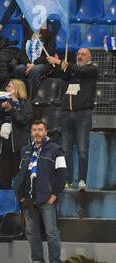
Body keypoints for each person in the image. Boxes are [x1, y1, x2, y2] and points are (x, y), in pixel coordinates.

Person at [13, 120, 67, 263]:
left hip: (47, 198)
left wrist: (55, 194)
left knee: (52, 231)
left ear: (46, 132)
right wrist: (21, 196)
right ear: (31, 132)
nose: (37, 132)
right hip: (29, 199)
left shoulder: (56, 149)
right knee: (31, 232)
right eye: (34, 130)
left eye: (40, 130)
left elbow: (63, 174)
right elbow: (21, 174)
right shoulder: (25, 151)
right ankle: (37, 262)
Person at [47, 48, 98, 191]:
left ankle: (82, 180)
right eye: (78, 54)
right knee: (66, 150)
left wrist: (62, 62)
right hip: (66, 114)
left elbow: (80, 71)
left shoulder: (92, 70)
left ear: (89, 57)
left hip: (83, 114)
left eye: (83, 55)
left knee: (82, 149)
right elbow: (62, 75)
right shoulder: (73, 70)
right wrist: (58, 65)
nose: (80, 56)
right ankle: (68, 180)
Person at [0, 79, 33, 189]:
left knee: (19, 178)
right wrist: (2, 107)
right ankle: (5, 204)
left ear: (17, 89)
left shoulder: (25, 104)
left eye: (9, 86)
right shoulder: (3, 101)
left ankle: (21, 204)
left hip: (18, 148)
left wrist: (12, 109)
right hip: (2, 146)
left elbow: (22, 120)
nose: (6, 88)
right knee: (4, 179)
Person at [13, 27, 56, 98]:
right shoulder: (28, 34)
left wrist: (34, 64)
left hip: (44, 63)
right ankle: (20, 96)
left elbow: (49, 54)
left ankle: (35, 97)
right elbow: (22, 53)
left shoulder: (49, 35)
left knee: (34, 70)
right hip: (28, 63)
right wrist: (27, 64)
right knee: (19, 69)